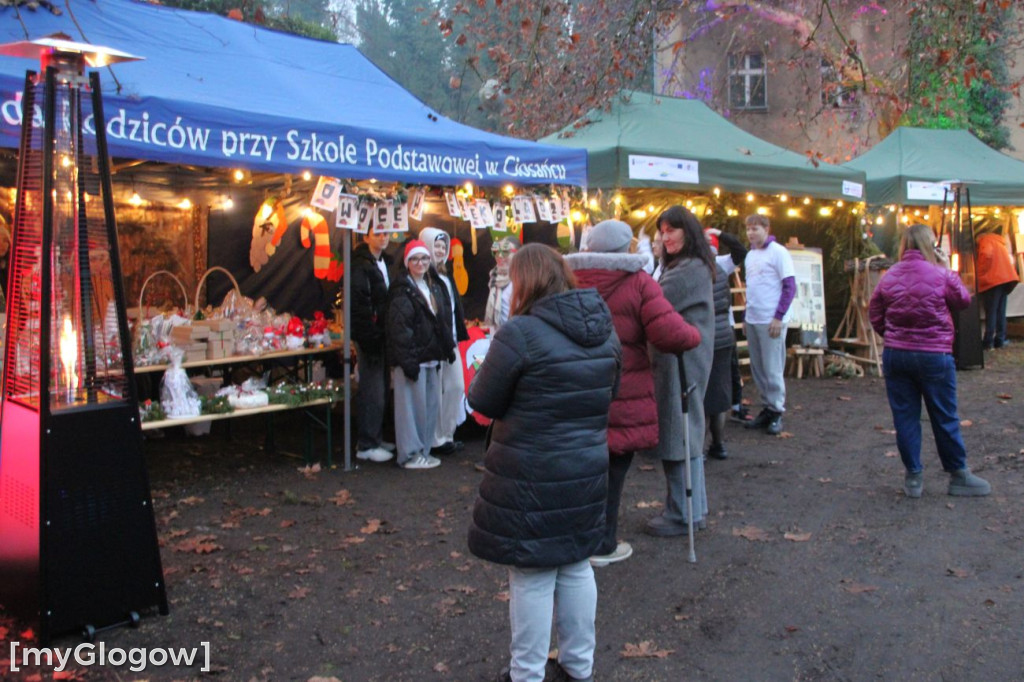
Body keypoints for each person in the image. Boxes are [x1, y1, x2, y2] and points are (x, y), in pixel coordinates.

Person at [467, 243, 621, 682]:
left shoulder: (520, 334)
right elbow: (610, 393)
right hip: (586, 470)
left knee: (532, 573)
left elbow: (482, 399)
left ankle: (527, 674)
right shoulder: (604, 330)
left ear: (525, 281)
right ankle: (578, 667)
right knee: (575, 565)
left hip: (532, 476)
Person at [567, 220, 701, 567]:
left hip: (574, 388)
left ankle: (575, 537)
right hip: (620, 390)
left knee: (579, 468)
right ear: (626, 248)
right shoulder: (639, 282)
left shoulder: (566, 279)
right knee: (613, 469)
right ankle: (602, 543)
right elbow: (669, 333)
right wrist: (693, 336)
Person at [869, 223, 991, 498]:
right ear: (930, 245)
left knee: (905, 417)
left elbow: (874, 311)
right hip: (934, 355)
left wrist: (891, 336)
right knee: (944, 415)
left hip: (897, 355)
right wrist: (948, 269)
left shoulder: (889, 276)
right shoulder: (940, 275)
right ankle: (958, 474)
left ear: (903, 245)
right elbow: (962, 301)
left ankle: (914, 477)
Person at [645, 206, 715, 536]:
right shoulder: (687, 265)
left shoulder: (689, 269)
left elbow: (655, 301)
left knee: (679, 431)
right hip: (683, 357)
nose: (665, 236)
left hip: (681, 360)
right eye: (662, 231)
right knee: (685, 432)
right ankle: (692, 509)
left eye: (672, 230)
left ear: (688, 232)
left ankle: (681, 513)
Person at [386, 240, 455, 470]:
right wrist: (408, 361)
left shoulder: (432, 286)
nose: (421, 263)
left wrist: (447, 349)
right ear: (407, 262)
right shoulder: (402, 290)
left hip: (431, 357)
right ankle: (410, 454)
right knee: (410, 410)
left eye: (424, 258)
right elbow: (399, 329)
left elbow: (441, 321)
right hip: (412, 360)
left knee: (429, 407)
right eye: (415, 259)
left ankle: (423, 451)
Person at [742, 214, 795, 436]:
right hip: (754, 317)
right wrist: (746, 315)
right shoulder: (750, 255)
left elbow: (789, 286)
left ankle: (776, 410)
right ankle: (766, 406)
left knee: (772, 367)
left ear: (766, 229)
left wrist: (779, 316)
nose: (751, 233)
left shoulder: (779, 252)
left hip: (770, 319)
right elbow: (752, 288)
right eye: (748, 229)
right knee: (758, 367)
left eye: (755, 229)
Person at [419, 227, 470, 455]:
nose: (440, 251)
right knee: (436, 390)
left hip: (452, 341)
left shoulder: (446, 276)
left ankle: (447, 433)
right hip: (436, 343)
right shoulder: (424, 278)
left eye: (443, 247)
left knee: (456, 385)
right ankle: (436, 437)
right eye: (436, 246)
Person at [350, 228, 396, 463]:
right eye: (377, 232)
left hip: (382, 335)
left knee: (382, 386)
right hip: (370, 336)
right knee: (372, 389)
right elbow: (359, 305)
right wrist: (369, 336)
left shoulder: (384, 263)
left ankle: (376, 437)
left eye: (386, 232)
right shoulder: (360, 266)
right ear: (366, 237)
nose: (383, 237)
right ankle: (367, 443)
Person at [703, 229, 746, 459]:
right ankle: (718, 445)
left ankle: (698, 449)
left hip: (704, 336)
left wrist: (721, 233)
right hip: (723, 335)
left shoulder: (694, 271)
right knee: (719, 393)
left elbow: (741, 251)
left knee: (700, 393)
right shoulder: (720, 268)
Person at [975, 225, 1018, 350]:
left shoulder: (986, 241)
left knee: (991, 311)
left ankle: (988, 341)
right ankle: (1000, 339)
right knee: (1000, 310)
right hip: (1006, 279)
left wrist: (980, 274)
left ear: (979, 238)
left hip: (993, 280)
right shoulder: (999, 242)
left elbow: (986, 254)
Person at [484, 236, 519, 330]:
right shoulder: (494, 279)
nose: (500, 256)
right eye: (496, 251)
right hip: (497, 338)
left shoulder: (523, 280)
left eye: (506, 251)